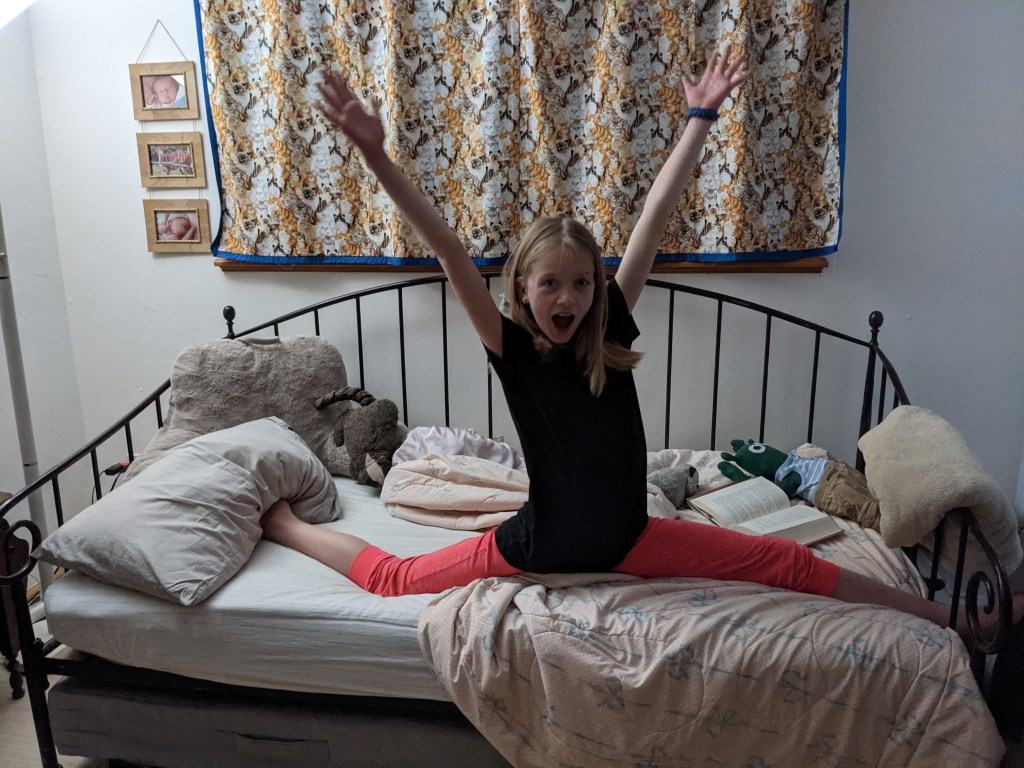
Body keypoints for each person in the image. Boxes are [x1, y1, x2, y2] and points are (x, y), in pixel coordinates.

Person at [262, 46, 1018, 639]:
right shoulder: (512, 351)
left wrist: (700, 119)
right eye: (550, 284)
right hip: (539, 546)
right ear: (522, 289)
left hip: (631, 539)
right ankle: (289, 525)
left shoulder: (610, 326)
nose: (567, 298)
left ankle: (953, 618)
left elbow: (653, 218)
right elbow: (450, 251)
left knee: (786, 561)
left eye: (581, 283)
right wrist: (377, 158)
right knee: (394, 578)